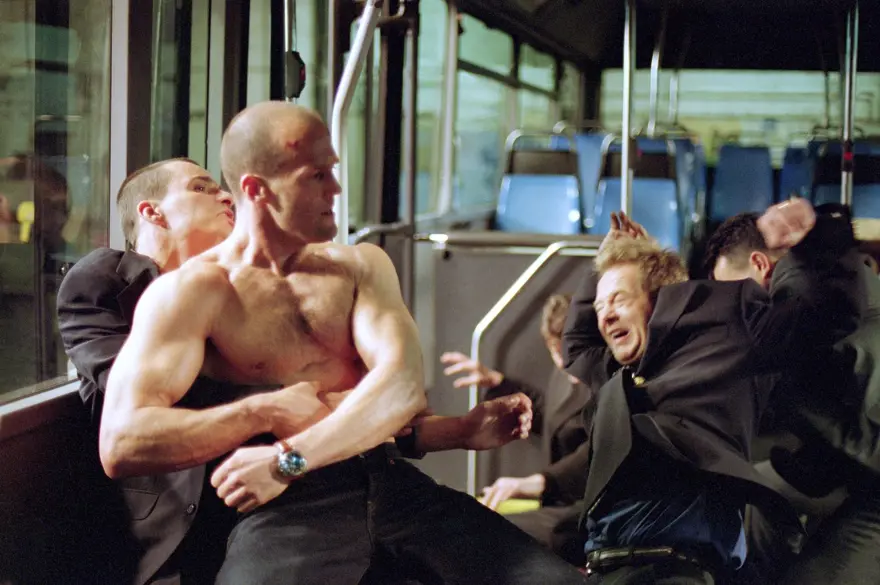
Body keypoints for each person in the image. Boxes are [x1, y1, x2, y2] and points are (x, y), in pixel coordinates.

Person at [102, 102, 586, 585]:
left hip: (392, 485)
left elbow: (401, 387)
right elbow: (122, 441)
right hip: (290, 509)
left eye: (332, 171)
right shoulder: (193, 292)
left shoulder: (360, 265)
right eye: (316, 176)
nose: (335, 189)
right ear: (256, 189)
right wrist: (261, 412)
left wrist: (288, 458)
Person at [562, 203, 864, 584]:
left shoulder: (728, 329)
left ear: (660, 298)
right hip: (605, 570)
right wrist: (604, 265)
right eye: (599, 306)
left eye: (619, 299)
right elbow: (576, 348)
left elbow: (831, 312)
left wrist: (814, 236)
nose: (604, 315)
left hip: (672, 569)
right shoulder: (618, 372)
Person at [705, 211, 880, 585]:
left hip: (871, 480)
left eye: (731, 292)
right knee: (759, 490)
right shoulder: (813, 283)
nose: (731, 310)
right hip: (856, 464)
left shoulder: (795, 294)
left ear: (759, 264)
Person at [442, 293, 596, 566]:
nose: (562, 361)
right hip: (560, 505)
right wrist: (498, 383)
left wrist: (538, 482)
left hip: (591, 512)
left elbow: (597, 451)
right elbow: (555, 418)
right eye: (555, 351)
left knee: (491, 536)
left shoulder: (608, 382)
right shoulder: (564, 374)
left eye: (569, 349)